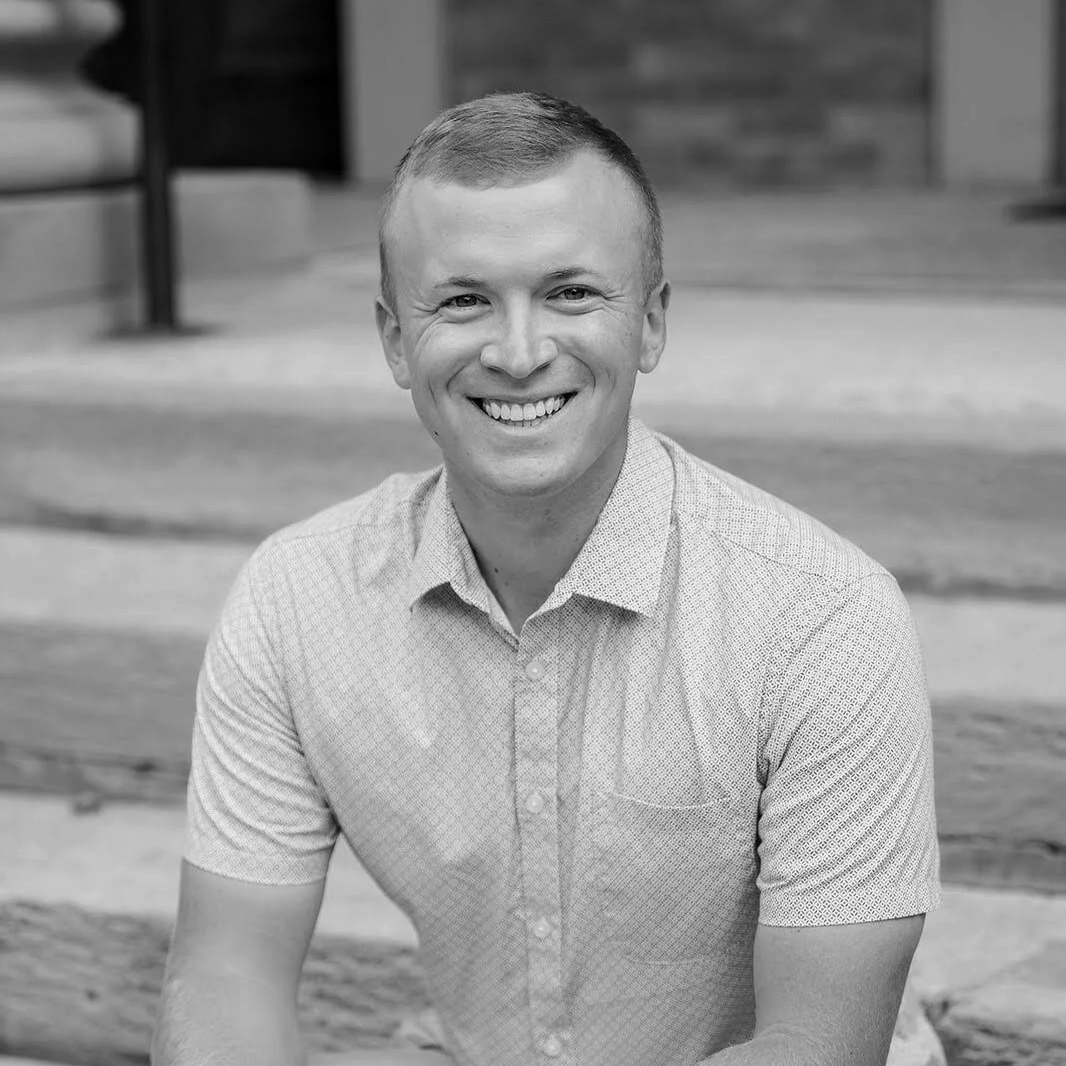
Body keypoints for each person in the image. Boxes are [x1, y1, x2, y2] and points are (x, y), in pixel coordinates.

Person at [152, 91, 940, 1066]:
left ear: (649, 323)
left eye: (569, 293)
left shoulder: (821, 616)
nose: (519, 353)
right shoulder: (295, 601)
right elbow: (227, 970)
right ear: (396, 339)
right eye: (463, 299)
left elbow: (815, 1043)